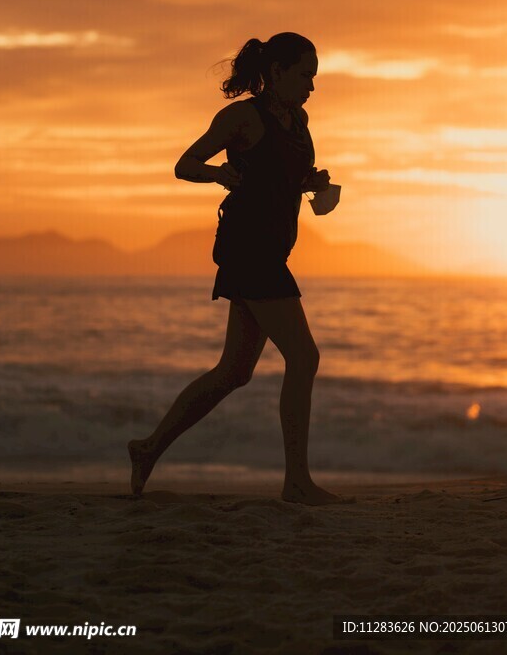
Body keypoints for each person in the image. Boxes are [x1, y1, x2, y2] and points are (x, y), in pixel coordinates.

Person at [128, 32, 350, 505]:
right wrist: (216, 174)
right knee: (304, 357)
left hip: (273, 249)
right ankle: (296, 483)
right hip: (248, 249)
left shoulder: (299, 120)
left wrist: (313, 183)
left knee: (234, 372)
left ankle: (147, 448)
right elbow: (185, 164)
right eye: (305, 75)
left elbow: (283, 175)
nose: (312, 86)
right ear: (276, 73)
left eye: (315, 76)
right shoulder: (242, 117)